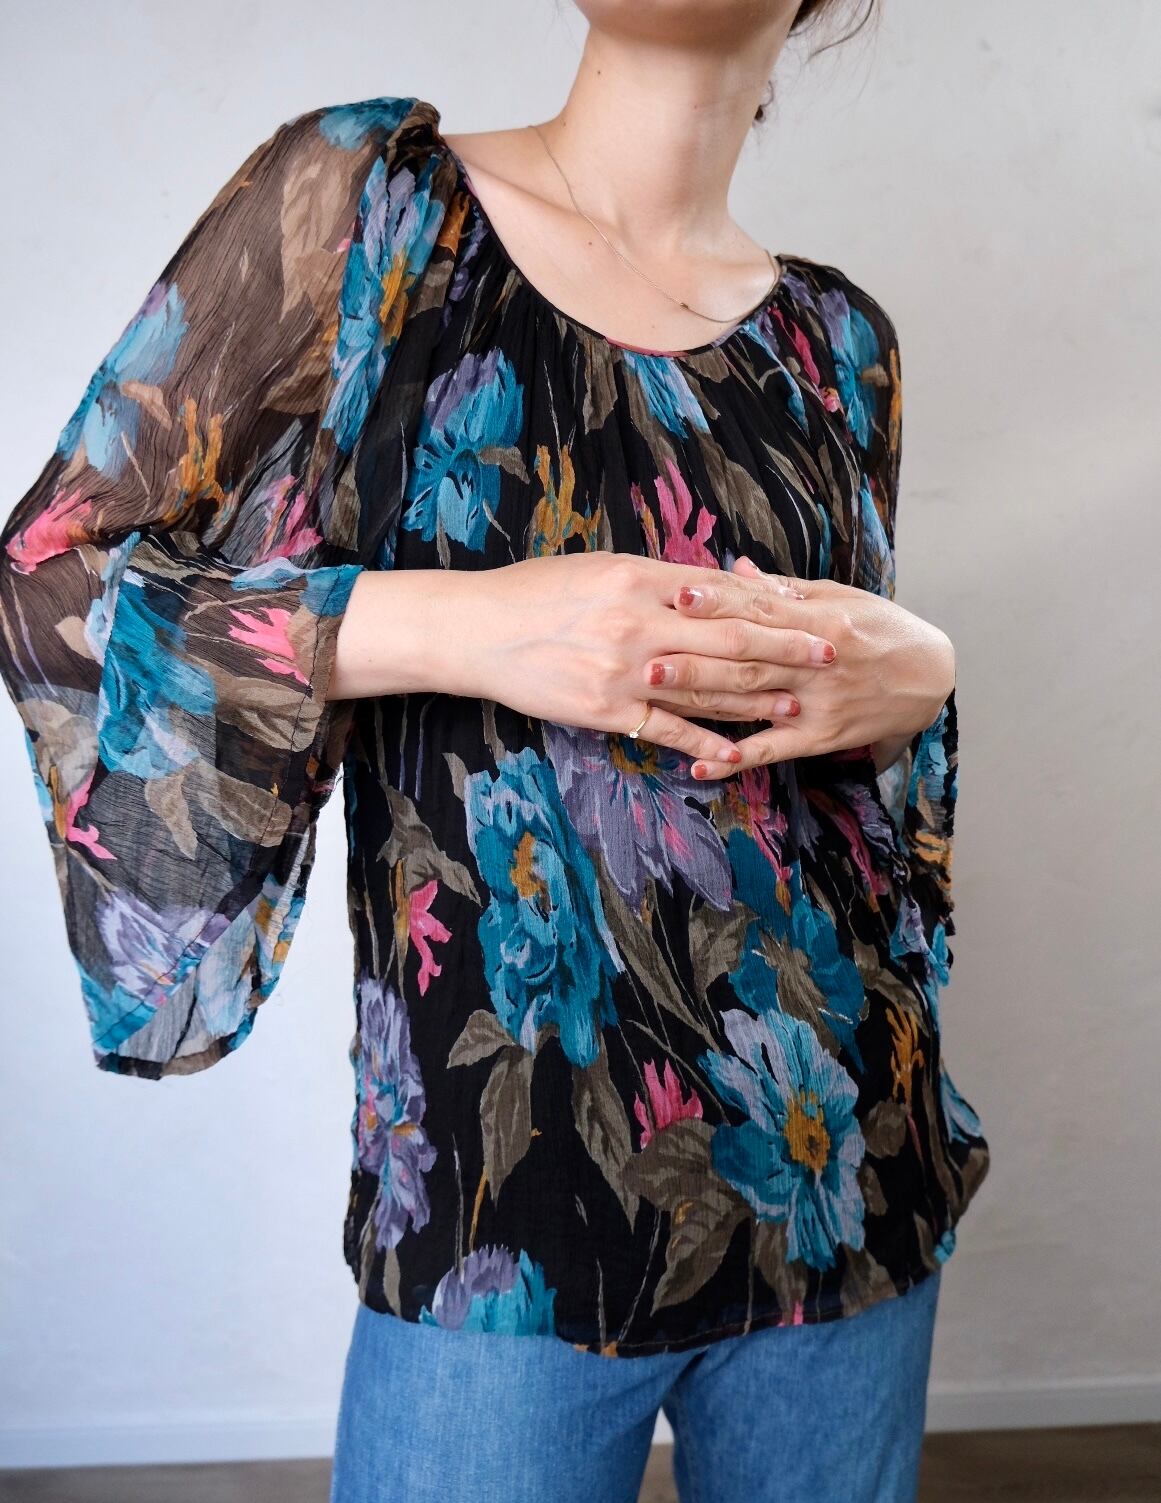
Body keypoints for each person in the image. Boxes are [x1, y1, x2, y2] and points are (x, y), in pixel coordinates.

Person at [0, 1, 992, 1499]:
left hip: (843, 1175)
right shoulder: (374, 208)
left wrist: (924, 674)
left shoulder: (840, 344)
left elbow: (841, 782)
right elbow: (55, 579)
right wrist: (468, 628)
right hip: (501, 1210)